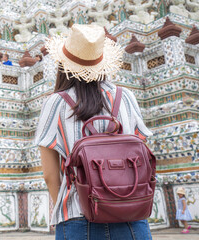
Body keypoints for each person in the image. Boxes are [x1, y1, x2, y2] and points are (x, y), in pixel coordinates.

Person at [35, 24, 153, 239]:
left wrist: (65, 208)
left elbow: (50, 175)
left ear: (63, 64)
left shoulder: (55, 103)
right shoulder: (125, 97)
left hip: (78, 217)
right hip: (131, 214)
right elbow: (143, 152)